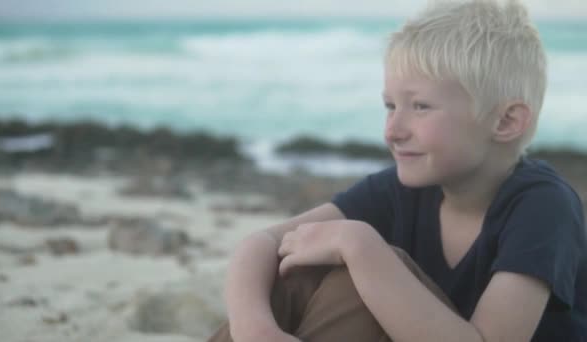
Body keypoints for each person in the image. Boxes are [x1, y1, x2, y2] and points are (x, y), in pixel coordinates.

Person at [208, 0, 587, 341]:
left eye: (420, 107)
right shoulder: (400, 190)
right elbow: (261, 244)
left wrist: (360, 247)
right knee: (299, 271)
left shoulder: (544, 207)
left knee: (363, 268)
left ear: (506, 122)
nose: (393, 130)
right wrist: (255, 328)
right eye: (391, 106)